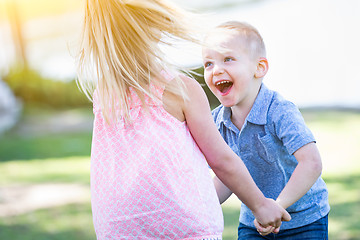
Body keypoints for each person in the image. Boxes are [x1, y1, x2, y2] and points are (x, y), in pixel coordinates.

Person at [76, 1, 290, 239]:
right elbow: (221, 160)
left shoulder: (104, 96)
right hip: (184, 228)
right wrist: (260, 205)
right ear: (156, 23)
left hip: (117, 229)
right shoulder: (179, 90)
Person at [202, 21, 330, 239]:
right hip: (254, 223)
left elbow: (311, 163)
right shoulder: (217, 122)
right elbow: (227, 176)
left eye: (228, 59)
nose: (216, 69)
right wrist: (198, 204)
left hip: (305, 220)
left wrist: (275, 207)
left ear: (259, 68)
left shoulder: (279, 111)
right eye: (208, 64)